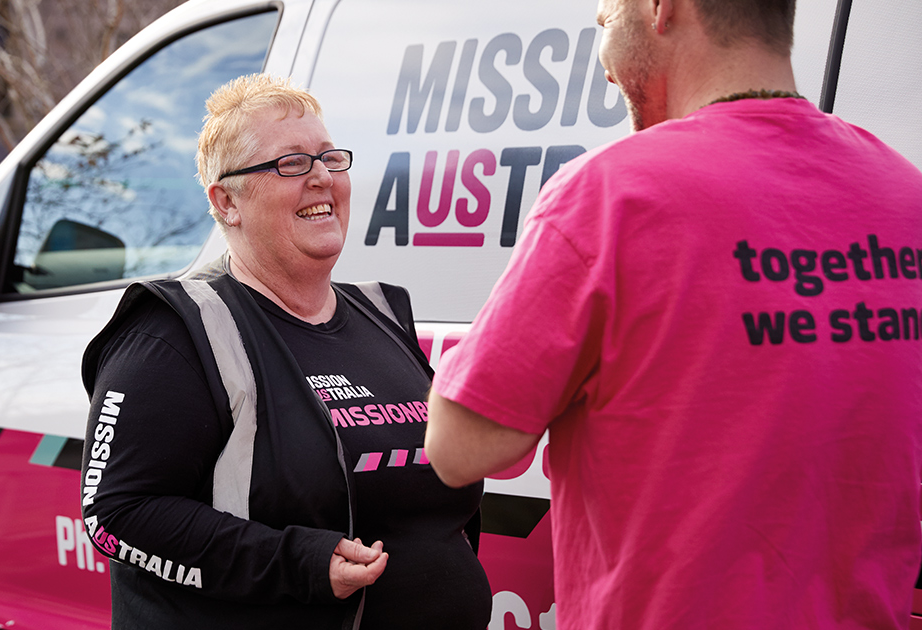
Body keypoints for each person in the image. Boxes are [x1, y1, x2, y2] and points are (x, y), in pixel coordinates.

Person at [424, 0, 922, 628]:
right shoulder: (906, 196)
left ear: (660, 9)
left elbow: (458, 447)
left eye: (604, 20)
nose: (602, 61)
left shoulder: (612, 196)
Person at [80, 74, 491, 629]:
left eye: (330, 158)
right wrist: (295, 563)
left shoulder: (383, 316)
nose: (322, 177)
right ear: (226, 200)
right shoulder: (174, 333)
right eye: (291, 164)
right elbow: (116, 514)